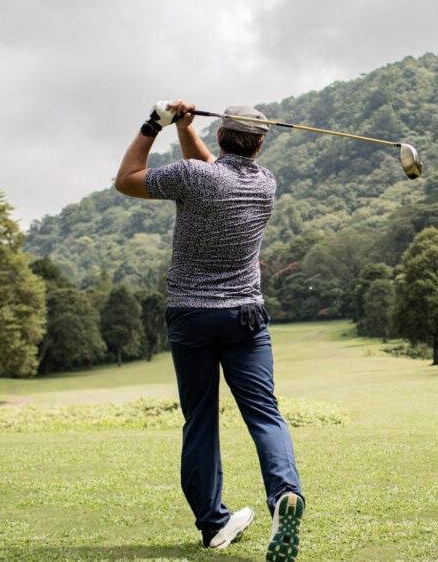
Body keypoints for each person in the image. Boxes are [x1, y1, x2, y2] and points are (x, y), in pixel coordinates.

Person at [114, 100, 304, 562]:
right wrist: (185, 127)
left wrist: (154, 124)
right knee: (265, 413)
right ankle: (284, 493)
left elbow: (126, 181)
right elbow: (215, 171)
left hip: (192, 317)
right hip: (246, 317)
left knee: (200, 421)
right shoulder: (265, 184)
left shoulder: (196, 178)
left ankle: (214, 523)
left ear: (221, 136)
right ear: (260, 143)